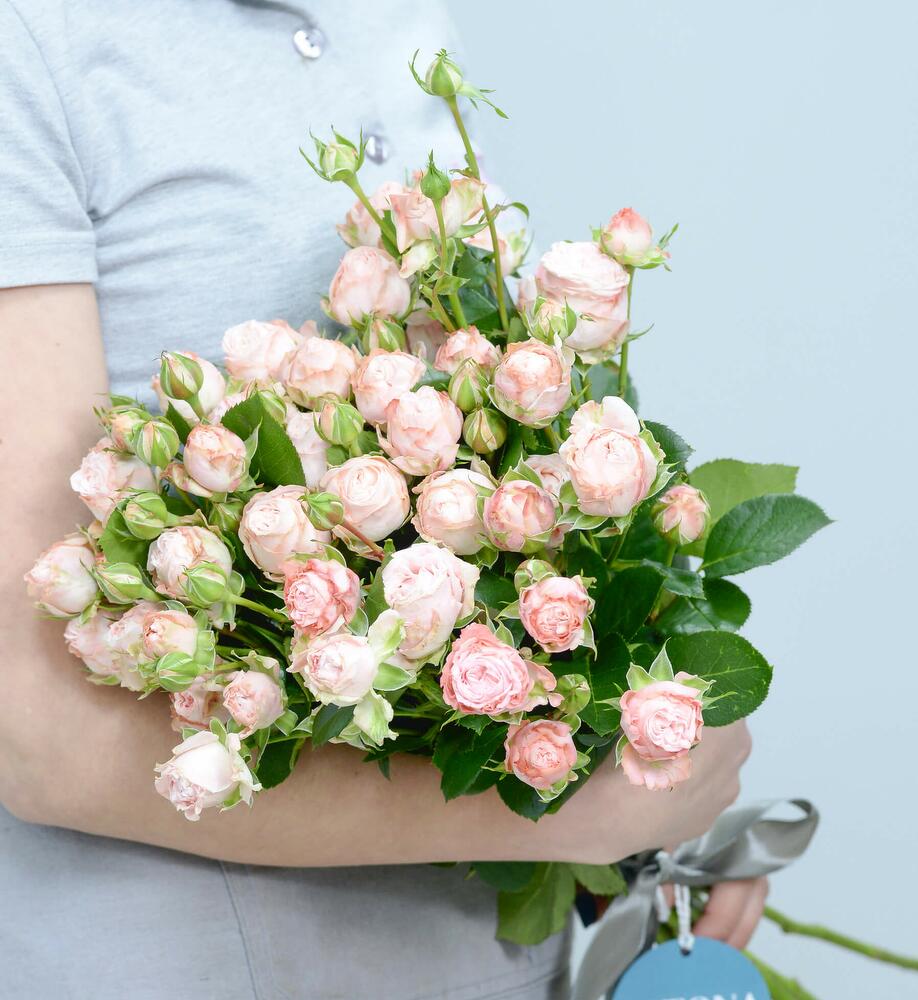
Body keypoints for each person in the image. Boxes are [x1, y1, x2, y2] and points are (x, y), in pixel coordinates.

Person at [0, 2, 762, 996]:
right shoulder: (33, 46)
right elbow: (41, 741)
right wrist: (587, 811)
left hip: (480, 954)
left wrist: (641, 770)